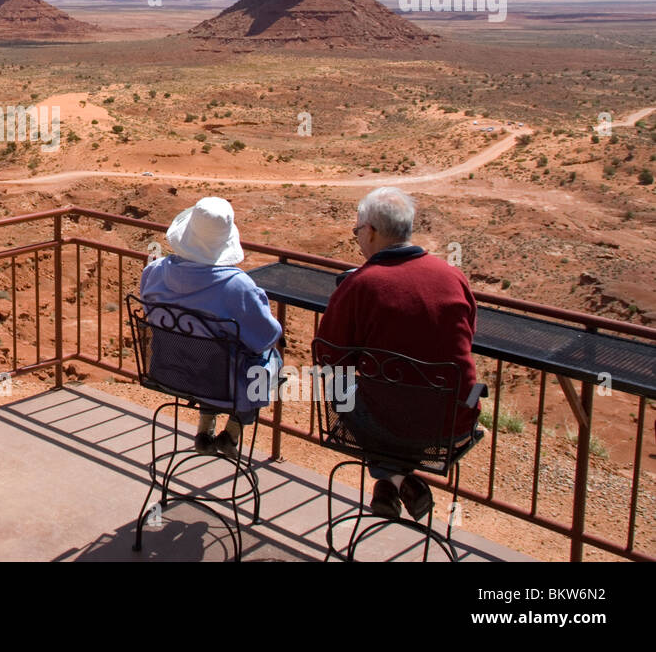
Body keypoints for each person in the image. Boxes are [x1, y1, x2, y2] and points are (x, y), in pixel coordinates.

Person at [316, 187, 480, 521]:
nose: (358, 238)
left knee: (352, 397)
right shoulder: (452, 276)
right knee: (392, 408)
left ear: (372, 231)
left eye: (357, 232)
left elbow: (329, 357)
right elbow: (467, 336)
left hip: (385, 426)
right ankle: (396, 484)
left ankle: (393, 479)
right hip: (452, 423)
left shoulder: (360, 285)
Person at [140, 197, 283, 458]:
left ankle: (204, 428)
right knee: (269, 359)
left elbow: (151, 313)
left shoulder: (155, 272)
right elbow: (265, 337)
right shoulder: (237, 287)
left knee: (203, 354)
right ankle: (234, 428)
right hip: (222, 384)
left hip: (170, 372)